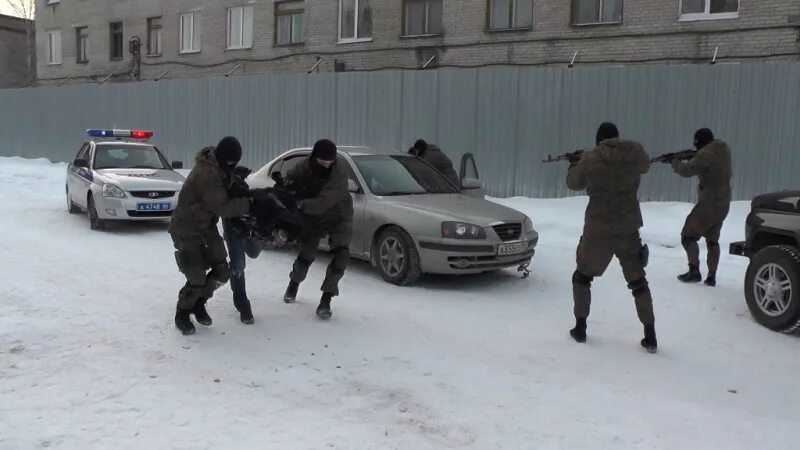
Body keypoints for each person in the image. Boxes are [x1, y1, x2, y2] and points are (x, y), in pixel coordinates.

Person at [566, 122, 657, 353]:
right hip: (628, 227)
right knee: (638, 281)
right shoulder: (634, 152)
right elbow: (646, 165)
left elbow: (574, 183)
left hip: (598, 228)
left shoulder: (591, 157)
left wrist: (574, 164)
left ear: (599, 139)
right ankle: (650, 334)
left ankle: (580, 327)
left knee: (582, 277)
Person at [168, 137, 253, 335]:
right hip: (186, 229)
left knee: (223, 271)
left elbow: (225, 184)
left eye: (235, 163)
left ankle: (199, 302)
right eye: (231, 162)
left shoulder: (220, 168)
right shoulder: (206, 173)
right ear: (222, 157)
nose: (232, 165)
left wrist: (236, 179)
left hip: (207, 227)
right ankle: (182, 312)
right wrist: (249, 204)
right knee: (196, 276)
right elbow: (222, 207)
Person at [282, 139, 353, 319]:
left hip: (339, 215)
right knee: (306, 254)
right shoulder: (304, 167)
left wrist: (299, 204)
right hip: (314, 216)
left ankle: (326, 299)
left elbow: (324, 202)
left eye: (331, 160)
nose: (328, 164)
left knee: (341, 255)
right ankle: (294, 283)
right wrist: (287, 189)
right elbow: (289, 178)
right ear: (314, 157)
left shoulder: (339, 174)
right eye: (323, 161)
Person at [671, 128, 732, 287]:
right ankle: (711, 277)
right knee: (712, 240)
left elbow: (687, 171)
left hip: (709, 203)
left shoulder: (705, 154)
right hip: (723, 203)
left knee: (688, 236)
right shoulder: (723, 149)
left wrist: (675, 162)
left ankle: (694, 271)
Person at [220, 165, 263, 325]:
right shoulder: (220, 183)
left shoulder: (244, 187)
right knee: (238, 265)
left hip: (248, 226)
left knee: (254, 252)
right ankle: (243, 306)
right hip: (232, 227)